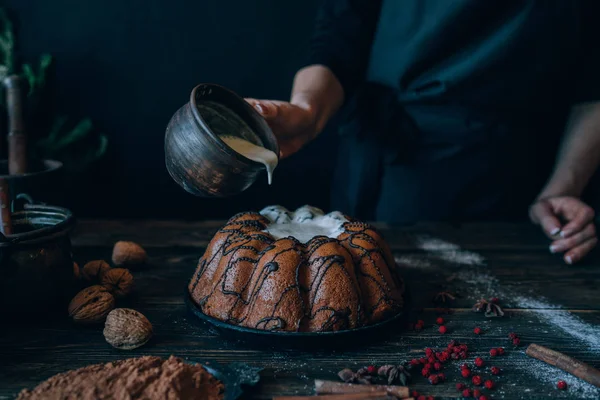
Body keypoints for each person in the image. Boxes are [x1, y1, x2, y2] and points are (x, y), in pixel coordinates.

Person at [245, 0, 600, 264]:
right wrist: (308, 110)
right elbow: (339, 39)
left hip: (510, 183)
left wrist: (562, 188)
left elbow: (593, 81)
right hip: (385, 152)